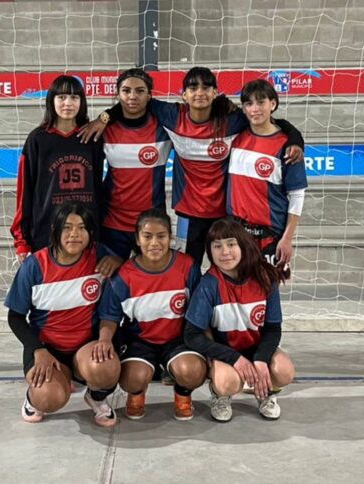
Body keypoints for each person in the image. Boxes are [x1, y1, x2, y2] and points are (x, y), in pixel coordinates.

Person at [82, 67, 304, 266]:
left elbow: (267, 120)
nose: (200, 92)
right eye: (193, 88)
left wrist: (294, 138)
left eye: (206, 87)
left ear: (215, 93)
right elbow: (133, 102)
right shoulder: (171, 116)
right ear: (183, 95)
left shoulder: (231, 120)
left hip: (224, 215)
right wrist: (104, 117)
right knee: (187, 270)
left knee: (227, 270)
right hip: (188, 214)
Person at [4, 202, 123, 427]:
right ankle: (34, 397)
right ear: (55, 230)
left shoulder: (99, 256)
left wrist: (118, 261)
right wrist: (38, 350)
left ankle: (96, 397)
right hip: (47, 348)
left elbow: (130, 272)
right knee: (49, 398)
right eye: (67, 227)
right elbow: (15, 317)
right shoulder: (34, 266)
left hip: (85, 346)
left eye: (82, 228)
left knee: (107, 369)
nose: (74, 234)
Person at [94, 209, 206, 420]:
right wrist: (104, 340)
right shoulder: (123, 275)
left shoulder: (187, 266)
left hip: (177, 340)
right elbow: (109, 315)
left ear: (170, 237)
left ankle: (183, 393)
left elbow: (200, 310)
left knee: (192, 372)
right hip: (139, 341)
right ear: (137, 239)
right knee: (133, 379)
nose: (154, 243)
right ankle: (137, 393)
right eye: (147, 236)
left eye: (161, 236)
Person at [184, 218, 294, 422]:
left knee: (284, 371)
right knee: (227, 383)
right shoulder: (209, 284)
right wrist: (234, 358)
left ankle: (266, 391)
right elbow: (192, 335)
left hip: (255, 347)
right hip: (225, 351)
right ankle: (220, 394)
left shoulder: (264, 277)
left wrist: (261, 359)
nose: (225, 252)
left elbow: (272, 329)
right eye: (217, 246)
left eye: (231, 244)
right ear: (210, 252)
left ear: (243, 245)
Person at [10, 75, 105, 264]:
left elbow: (98, 188)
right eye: (61, 97)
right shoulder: (37, 139)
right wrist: (21, 241)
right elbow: (24, 192)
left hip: (85, 235)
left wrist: (104, 118)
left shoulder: (92, 138)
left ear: (82, 102)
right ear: (51, 100)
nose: (68, 103)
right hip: (45, 234)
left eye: (74, 97)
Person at [228, 79, 308, 271]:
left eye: (261, 102)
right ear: (243, 109)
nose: (255, 109)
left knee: (267, 287)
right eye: (249, 104)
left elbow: (297, 195)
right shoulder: (234, 138)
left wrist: (287, 238)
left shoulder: (289, 148)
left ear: (272, 104)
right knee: (237, 286)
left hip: (270, 236)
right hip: (236, 233)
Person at [99, 69, 173, 259]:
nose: (132, 96)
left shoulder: (164, 128)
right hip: (113, 224)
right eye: (126, 90)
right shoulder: (104, 129)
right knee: (111, 276)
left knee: (151, 276)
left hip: (152, 224)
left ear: (149, 96)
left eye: (140, 91)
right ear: (118, 94)